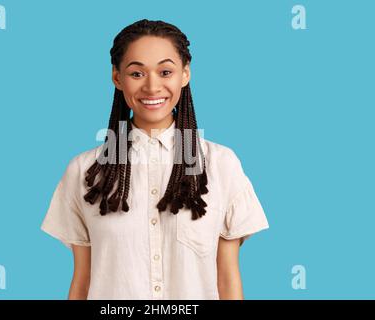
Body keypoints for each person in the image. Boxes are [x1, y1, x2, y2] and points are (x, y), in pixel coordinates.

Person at [41, 19, 269, 300]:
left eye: (165, 71)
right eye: (137, 73)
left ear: (185, 74)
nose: (152, 86)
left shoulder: (221, 164)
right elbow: (83, 280)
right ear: (116, 77)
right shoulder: (84, 171)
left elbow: (227, 279)